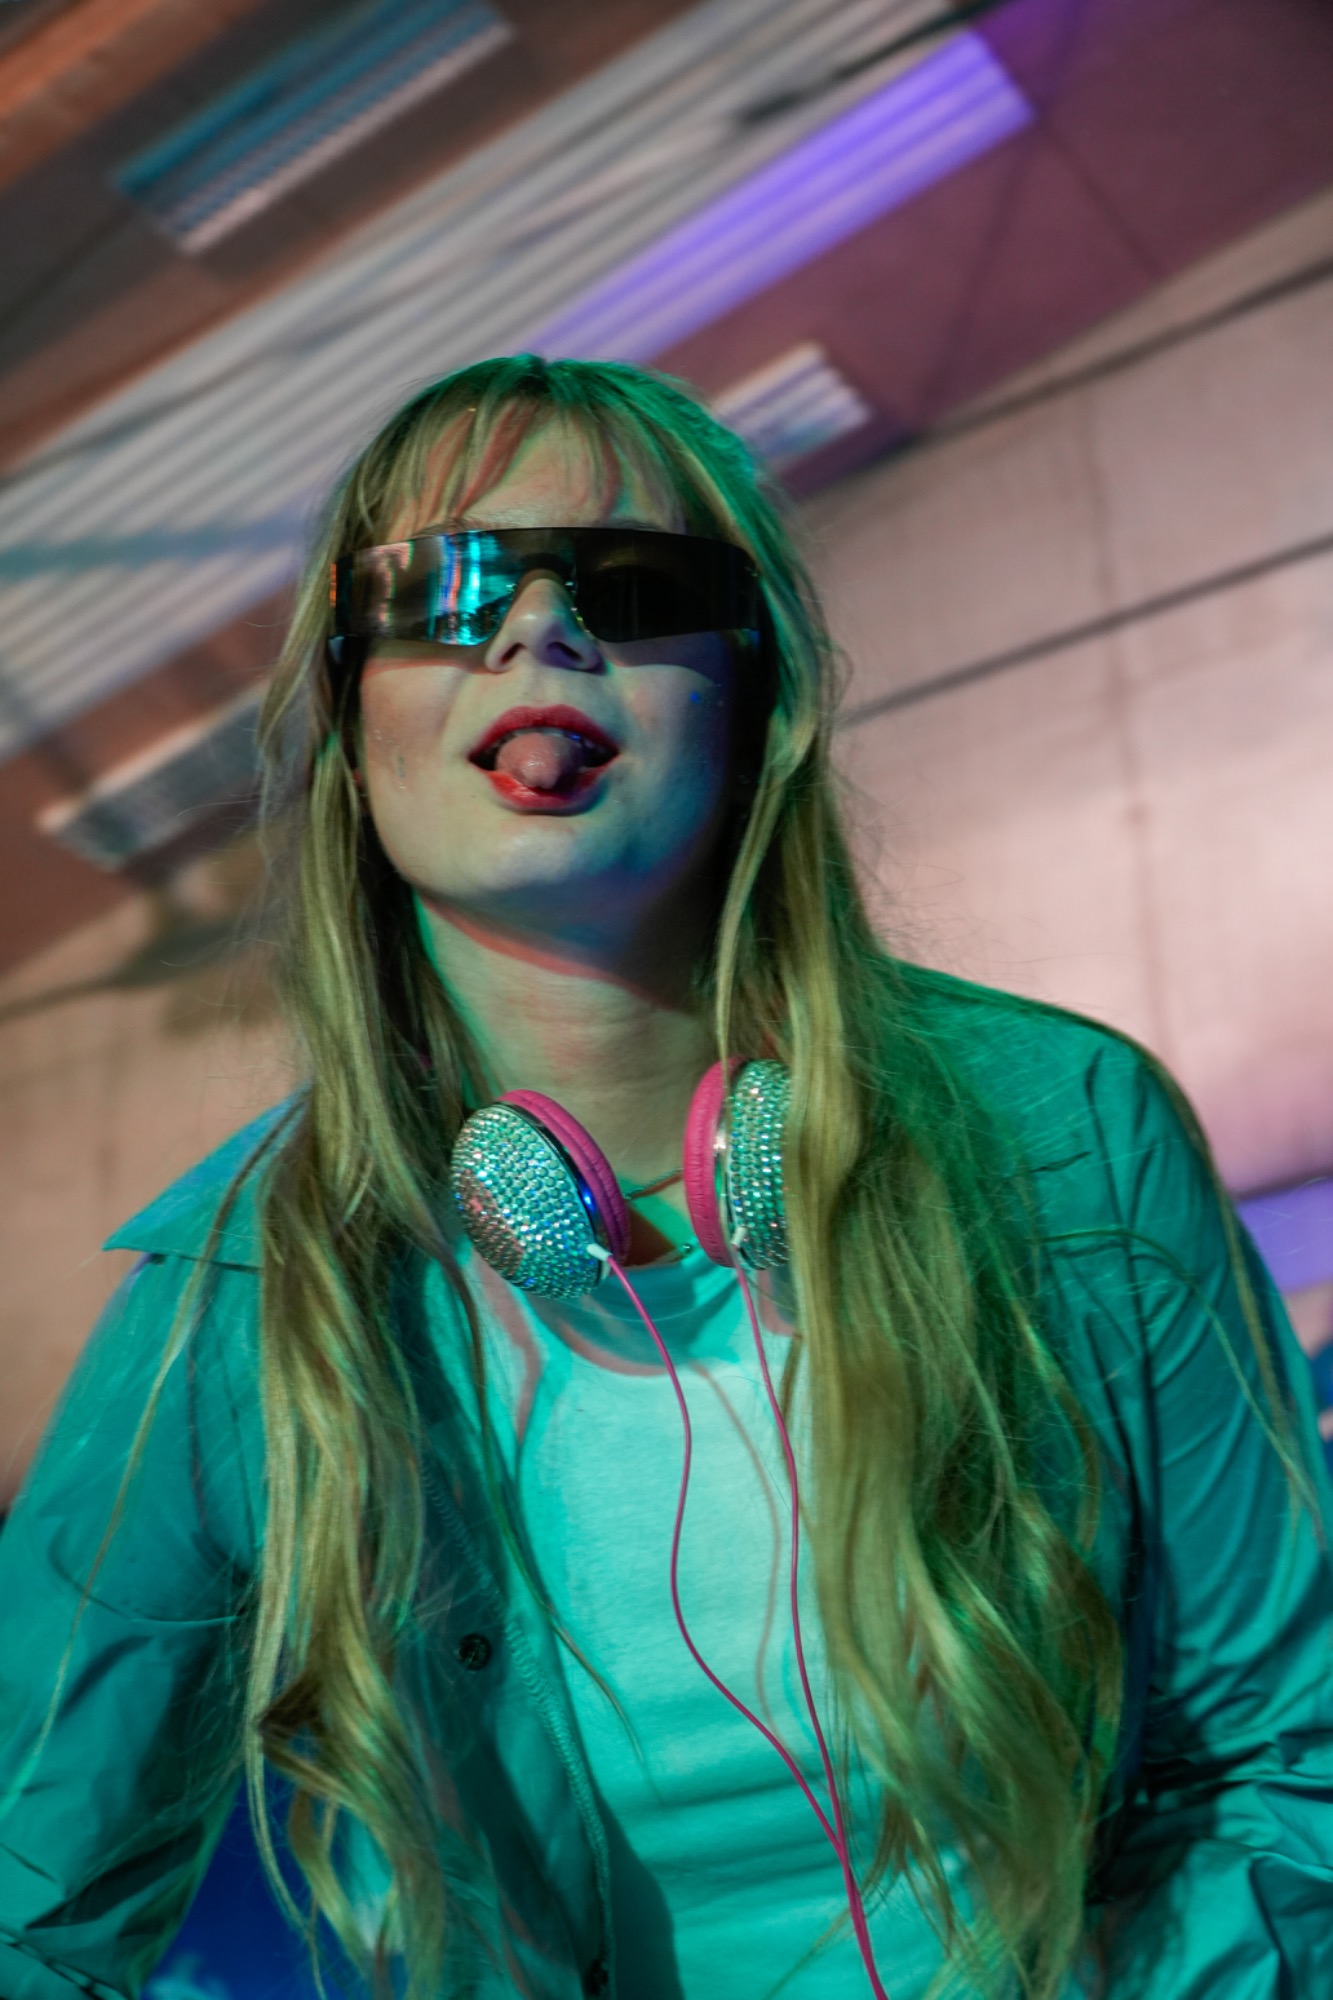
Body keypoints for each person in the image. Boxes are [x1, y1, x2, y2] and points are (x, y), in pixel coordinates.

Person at [1, 354, 1331, 2000]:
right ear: (349, 714)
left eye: (629, 590)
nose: (535, 634)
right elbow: (27, 1906)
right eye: (445, 589)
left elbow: (1286, 1758)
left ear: (754, 705)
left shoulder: (1066, 1132)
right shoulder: (248, 1287)